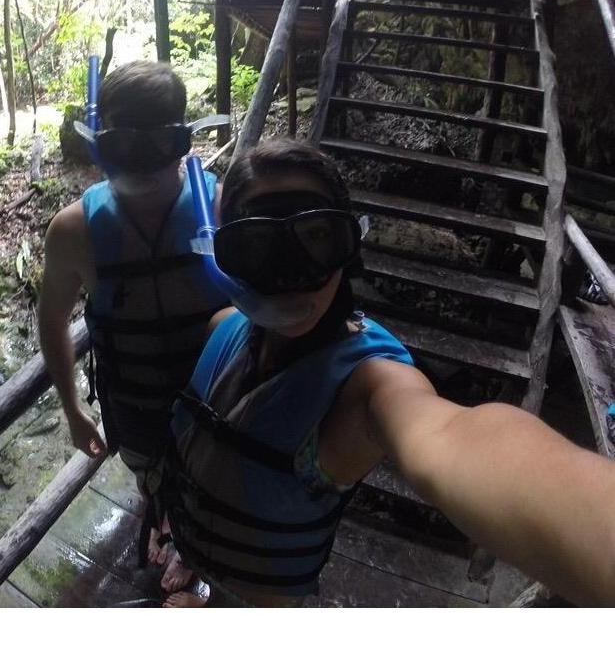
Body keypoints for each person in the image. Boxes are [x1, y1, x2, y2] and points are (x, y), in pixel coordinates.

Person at [159, 138, 615, 607]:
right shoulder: (223, 329)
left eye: (317, 237)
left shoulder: (370, 389)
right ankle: (187, 553)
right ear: (224, 255)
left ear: (349, 248)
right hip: (196, 537)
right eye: (256, 244)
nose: (290, 274)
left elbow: (454, 436)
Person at [37, 60, 228, 589]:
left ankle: (191, 548)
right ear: (103, 146)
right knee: (153, 479)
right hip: (136, 408)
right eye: (125, 148)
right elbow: (51, 320)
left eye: (155, 147)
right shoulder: (74, 231)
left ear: (180, 143)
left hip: (217, 409)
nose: (140, 167)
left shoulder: (223, 207)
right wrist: (73, 408)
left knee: (213, 489)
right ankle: (167, 523)